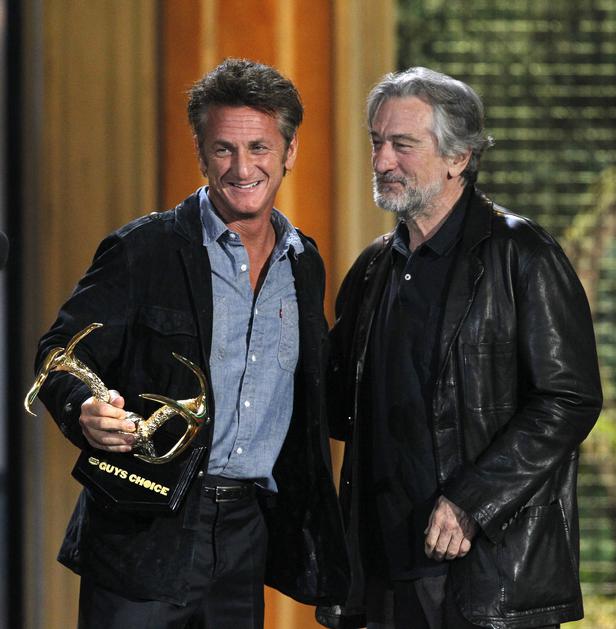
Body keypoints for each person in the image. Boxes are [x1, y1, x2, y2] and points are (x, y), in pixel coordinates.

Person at [35, 58, 348, 628]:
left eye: (259, 147)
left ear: (290, 152)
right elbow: (60, 353)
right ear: (201, 155)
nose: (242, 167)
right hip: (142, 531)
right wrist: (82, 410)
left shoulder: (304, 263)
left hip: (247, 532)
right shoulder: (143, 250)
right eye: (224, 149)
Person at [321, 67, 602, 629]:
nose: (381, 161)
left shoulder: (524, 255)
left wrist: (472, 500)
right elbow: (335, 406)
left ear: (459, 157)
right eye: (377, 142)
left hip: (487, 569)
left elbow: (568, 399)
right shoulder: (373, 268)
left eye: (402, 145)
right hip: (381, 569)